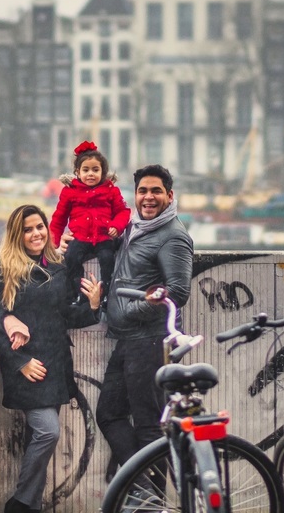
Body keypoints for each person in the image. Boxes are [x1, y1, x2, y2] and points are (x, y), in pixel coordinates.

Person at [0, 204, 103, 513]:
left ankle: (30, 505)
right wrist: (19, 361)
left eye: (39, 227)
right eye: (27, 229)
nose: (35, 233)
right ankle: (20, 503)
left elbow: (65, 315)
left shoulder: (58, 269)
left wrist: (92, 306)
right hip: (26, 367)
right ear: (16, 234)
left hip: (55, 365)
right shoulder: (1, 270)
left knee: (41, 437)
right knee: (48, 431)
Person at [95, 164, 194, 473]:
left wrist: (131, 312)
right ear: (134, 195)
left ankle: (153, 502)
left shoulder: (173, 236)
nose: (148, 198)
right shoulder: (136, 227)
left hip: (149, 340)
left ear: (169, 195)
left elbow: (178, 291)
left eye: (155, 191)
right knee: (109, 414)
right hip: (130, 340)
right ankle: (138, 484)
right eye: (142, 191)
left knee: (149, 425)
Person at [49, 140, 131, 304]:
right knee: (71, 258)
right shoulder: (70, 192)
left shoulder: (111, 191)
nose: (90, 174)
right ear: (77, 172)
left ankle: (107, 292)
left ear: (103, 172)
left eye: (95, 170)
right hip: (79, 237)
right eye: (86, 170)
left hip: (103, 238)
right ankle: (76, 293)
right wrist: (53, 244)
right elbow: (59, 218)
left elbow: (123, 211)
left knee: (108, 260)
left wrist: (117, 226)